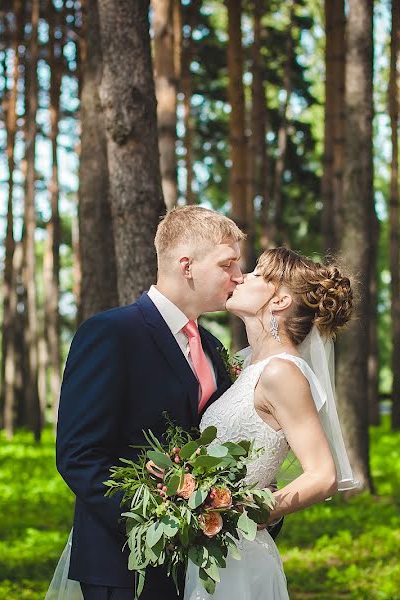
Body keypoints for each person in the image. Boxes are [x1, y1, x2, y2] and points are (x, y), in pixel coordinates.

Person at [50, 206, 246, 600]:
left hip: (197, 567)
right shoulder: (110, 334)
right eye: (227, 264)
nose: (238, 277)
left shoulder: (212, 346)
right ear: (186, 265)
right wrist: (162, 523)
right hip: (122, 564)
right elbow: (78, 454)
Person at [184, 247, 360, 600]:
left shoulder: (282, 372)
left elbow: (323, 476)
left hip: (239, 555)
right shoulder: (249, 366)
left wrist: (248, 510)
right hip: (210, 554)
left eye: (258, 274)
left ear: (279, 301)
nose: (242, 276)